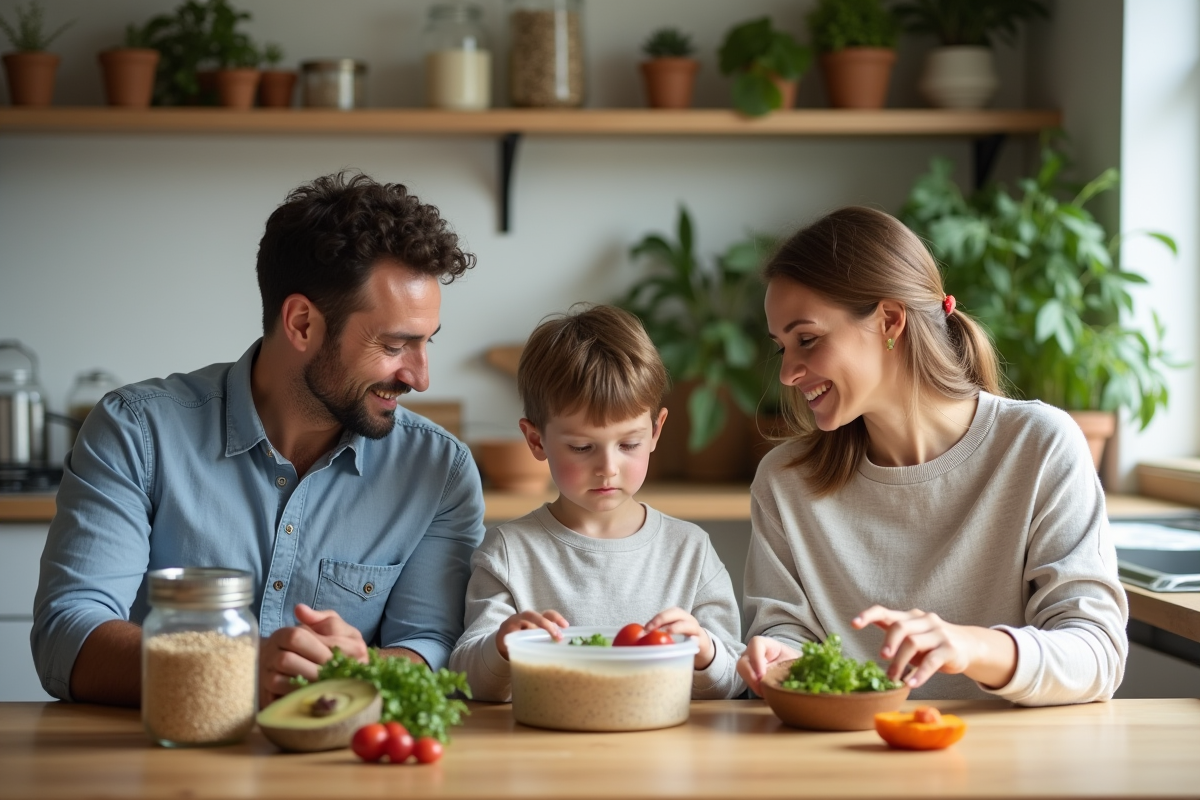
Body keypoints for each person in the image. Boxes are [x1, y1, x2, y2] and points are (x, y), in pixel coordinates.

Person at [32, 172, 486, 707]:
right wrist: (234, 669)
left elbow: (431, 643)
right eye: (394, 344)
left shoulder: (439, 471)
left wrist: (368, 667)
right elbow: (68, 635)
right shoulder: (136, 431)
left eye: (426, 343)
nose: (420, 376)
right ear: (301, 323)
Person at [736, 206, 1128, 706]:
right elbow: (787, 637)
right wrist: (779, 660)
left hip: (1010, 772)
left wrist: (970, 646)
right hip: (841, 768)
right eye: (781, 347)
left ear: (890, 322)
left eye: (807, 339)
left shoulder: (1040, 446)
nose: (789, 373)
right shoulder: (785, 482)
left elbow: (1097, 655)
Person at [449, 304, 745, 701]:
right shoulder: (508, 553)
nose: (608, 468)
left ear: (656, 431)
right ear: (536, 440)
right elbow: (469, 679)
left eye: (629, 444)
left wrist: (706, 652)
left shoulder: (689, 550)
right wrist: (501, 647)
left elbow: (732, 681)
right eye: (582, 447)